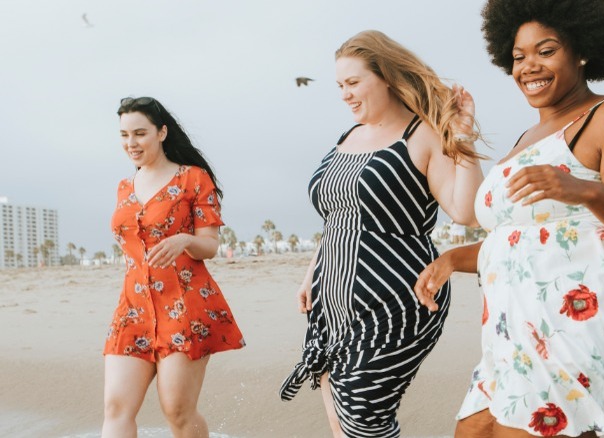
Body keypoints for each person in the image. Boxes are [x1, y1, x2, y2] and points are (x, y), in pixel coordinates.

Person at [414, 1, 604, 436]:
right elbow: (525, 240)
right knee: (472, 431)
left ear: (582, 51)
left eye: (545, 51)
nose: (528, 66)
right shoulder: (525, 139)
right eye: (518, 56)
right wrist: (454, 259)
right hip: (509, 334)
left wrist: (587, 190)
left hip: (570, 329)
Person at [279, 30, 485, 437]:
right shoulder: (347, 137)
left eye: (353, 83)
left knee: (363, 418)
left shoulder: (421, 135)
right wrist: (311, 275)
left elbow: (464, 210)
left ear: (387, 77)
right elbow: (338, 217)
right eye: (340, 85)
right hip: (331, 300)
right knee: (341, 417)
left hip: (396, 299)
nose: (345, 95)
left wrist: (462, 137)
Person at [103, 96, 245, 437]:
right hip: (133, 310)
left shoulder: (192, 179)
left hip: (184, 307)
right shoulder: (124, 187)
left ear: (162, 132)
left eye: (139, 133)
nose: (131, 143)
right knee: (116, 408)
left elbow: (210, 245)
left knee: (177, 410)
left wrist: (184, 241)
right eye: (124, 135)